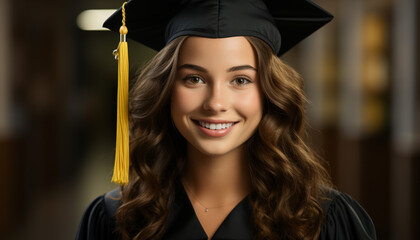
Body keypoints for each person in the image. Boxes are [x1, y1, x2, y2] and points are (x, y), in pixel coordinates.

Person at [76, 0, 377, 239]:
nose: (216, 103)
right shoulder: (115, 220)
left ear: (270, 92)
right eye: (193, 78)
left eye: (241, 80)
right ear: (166, 91)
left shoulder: (326, 220)